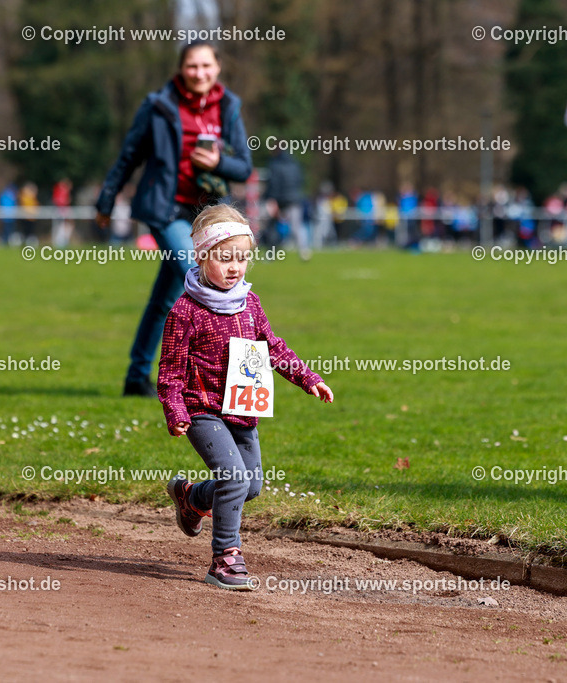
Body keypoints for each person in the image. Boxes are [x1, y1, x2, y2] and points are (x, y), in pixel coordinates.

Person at [158, 204, 334, 590]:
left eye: (242, 258)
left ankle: (191, 499)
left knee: (249, 484)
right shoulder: (185, 311)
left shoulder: (249, 304)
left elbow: (273, 348)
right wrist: (176, 411)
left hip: (241, 408)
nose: (235, 267)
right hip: (202, 411)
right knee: (234, 476)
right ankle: (225, 557)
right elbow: (169, 373)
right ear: (202, 256)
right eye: (224, 258)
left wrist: (309, 379)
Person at [95, 41, 252, 397]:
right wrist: (106, 200)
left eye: (206, 66)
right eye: (192, 66)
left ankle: (137, 377)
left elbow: (244, 166)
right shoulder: (158, 106)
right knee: (203, 279)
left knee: (164, 299)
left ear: (218, 68)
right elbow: (129, 156)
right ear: (182, 68)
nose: (200, 73)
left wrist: (217, 164)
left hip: (208, 216)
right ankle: (213, 379)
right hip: (166, 210)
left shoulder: (228, 106)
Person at [263, 148, 310, 260]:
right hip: (294, 199)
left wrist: (271, 199)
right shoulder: (295, 164)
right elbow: (300, 181)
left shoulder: (274, 164)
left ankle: (271, 253)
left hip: (279, 199)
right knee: (297, 227)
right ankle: (304, 251)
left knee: (272, 226)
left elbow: (274, 183)